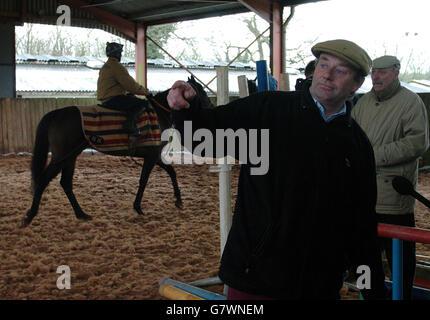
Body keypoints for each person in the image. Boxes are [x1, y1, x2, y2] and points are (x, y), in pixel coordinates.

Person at [167, 39, 388, 300]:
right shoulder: (268, 111)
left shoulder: (357, 146)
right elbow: (204, 138)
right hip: (256, 280)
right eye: (323, 64)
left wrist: (372, 289)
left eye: (340, 70)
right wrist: (187, 108)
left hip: (319, 285)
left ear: (356, 84)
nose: (327, 74)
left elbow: (361, 226)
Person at [351, 55, 429, 300]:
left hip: (394, 199)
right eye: (374, 72)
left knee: (401, 260)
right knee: (364, 259)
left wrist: (372, 156)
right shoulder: (362, 103)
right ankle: (369, 296)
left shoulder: (411, 102)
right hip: (363, 198)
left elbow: (417, 143)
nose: (376, 76)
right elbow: (350, 135)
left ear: (396, 72)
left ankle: (402, 295)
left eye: (383, 72)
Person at [97, 42, 151, 137]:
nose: (121, 55)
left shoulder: (105, 66)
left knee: (131, 98)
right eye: (120, 53)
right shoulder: (117, 66)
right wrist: (146, 92)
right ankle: (129, 125)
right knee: (143, 103)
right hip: (114, 99)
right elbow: (131, 85)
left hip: (106, 99)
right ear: (117, 54)